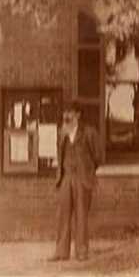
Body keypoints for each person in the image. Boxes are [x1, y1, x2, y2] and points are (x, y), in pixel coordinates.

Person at [50, 101, 103, 262]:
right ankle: (61, 252)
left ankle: (81, 251)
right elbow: (60, 155)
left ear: (78, 115)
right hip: (66, 177)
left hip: (82, 179)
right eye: (65, 112)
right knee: (63, 215)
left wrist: (87, 171)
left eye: (70, 112)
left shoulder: (89, 133)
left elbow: (98, 156)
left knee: (81, 215)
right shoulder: (62, 133)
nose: (66, 116)